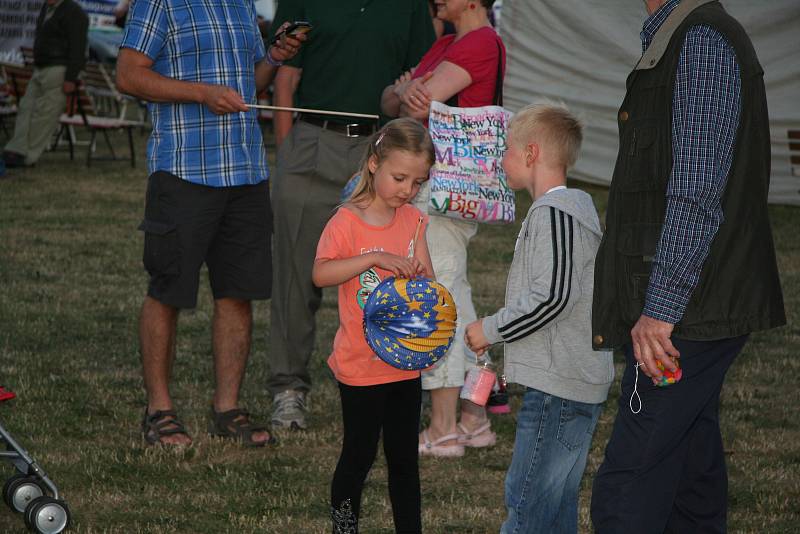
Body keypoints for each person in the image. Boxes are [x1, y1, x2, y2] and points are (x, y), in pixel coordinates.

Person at [590, 1, 786, 532]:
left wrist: (660, 310)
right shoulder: (677, 35)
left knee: (627, 487)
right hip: (692, 304)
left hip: (686, 313)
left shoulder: (701, 41)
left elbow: (697, 193)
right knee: (688, 473)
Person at [116, 1, 304, 447]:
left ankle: (227, 407)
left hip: (245, 171)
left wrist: (274, 58)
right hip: (183, 169)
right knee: (168, 289)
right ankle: (159, 410)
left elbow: (246, 86)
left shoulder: (239, 4)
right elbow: (129, 75)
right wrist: (201, 93)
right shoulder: (159, 3)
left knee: (238, 292)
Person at [266, 0, 435, 431]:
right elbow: (286, 77)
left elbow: (418, 77)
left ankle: (394, 381)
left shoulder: (411, 6)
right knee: (297, 274)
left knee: (394, 275)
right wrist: (288, 151)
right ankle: (288, 388)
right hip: (312, 141)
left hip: (379, 150)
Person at [465, 103, 613, 533]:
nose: (501, 160)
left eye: (507, 151)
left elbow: (552, 298)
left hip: (559, 388)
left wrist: (489, 330)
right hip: (565, 383)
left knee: (527, 504)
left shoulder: (556, 214)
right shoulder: (562, 213)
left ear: (531, 154)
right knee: (555, 508)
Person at [380, 0, 505, 457]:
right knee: (460, 300)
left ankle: (443, 428)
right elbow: (392, 102)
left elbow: (412, 103)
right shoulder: (450, 42)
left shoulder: (478, 42)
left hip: (445, 191)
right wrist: (412, 91)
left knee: (439, 302)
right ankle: (473, 416)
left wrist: (412, 89)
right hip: (446, 191)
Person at [312, 118, 435, 533]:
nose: (408, 190)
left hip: (405, 364)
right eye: (400, 177)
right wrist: (372, 258)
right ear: (373, 164)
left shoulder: (415, 221)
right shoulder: (347, 221)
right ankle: (344, 529)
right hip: (360, 366)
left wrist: (419, 281)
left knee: (404, 459)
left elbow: (430, 286)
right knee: (358, 456)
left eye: (418, 182)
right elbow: (321, 274)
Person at [2, 0, 88, 169]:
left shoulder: (74, 12)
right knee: (26, 108)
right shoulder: (47, 8)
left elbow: (78, 48)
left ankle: (28, 156)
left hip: (58, 69)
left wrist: (70, 78)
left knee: (45, 114)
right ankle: (16, 149)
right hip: (41, 67)